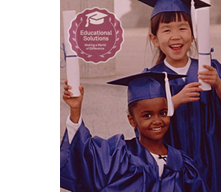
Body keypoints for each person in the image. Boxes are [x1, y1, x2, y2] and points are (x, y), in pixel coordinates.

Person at [137, 0, 221, 191]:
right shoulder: (152, 78)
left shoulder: (210, 68)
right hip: (172, 158)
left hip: (212, 157)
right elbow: (143, 121)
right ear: (154, 39)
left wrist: (218, 84)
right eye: (167, 30)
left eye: (182, 28)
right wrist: (174, 102)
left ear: (193, 34)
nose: (175, 36)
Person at [60, 70, 209, 192]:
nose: (157, 120)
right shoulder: (118, 155)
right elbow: (83, 155)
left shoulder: (183, 164)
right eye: (147, 115)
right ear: (132, 120)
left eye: (163, 113)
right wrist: (75, 110)